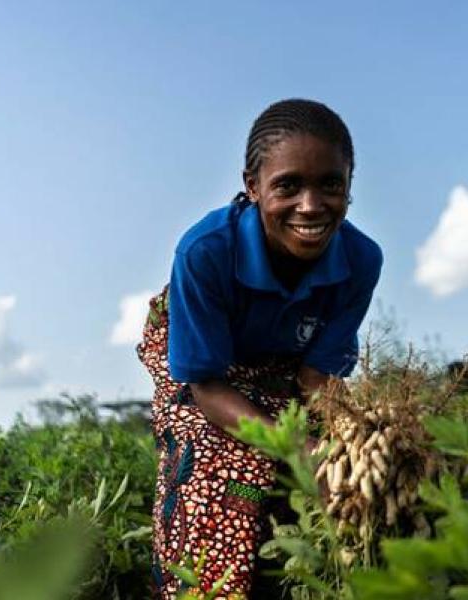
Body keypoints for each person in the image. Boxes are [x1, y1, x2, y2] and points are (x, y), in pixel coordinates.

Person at [137, 99, 382, 599]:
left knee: (337, 474)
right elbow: (205, 383)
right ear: (253, 187)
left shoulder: (361, 260)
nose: (311, 207)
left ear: (350, 184)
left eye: (330, 185)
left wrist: (346, 444)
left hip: (286, 360)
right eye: (288, 185)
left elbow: (317, 378)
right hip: (205, 366)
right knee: (219, 462)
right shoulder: (205, 252)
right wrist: (295, 448)